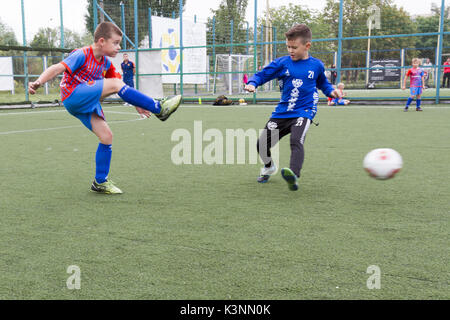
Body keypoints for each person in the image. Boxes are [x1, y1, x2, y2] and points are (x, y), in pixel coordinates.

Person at [28, 21, 182, 194]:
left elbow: (121, 86)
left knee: (107, 136)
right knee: (115, 83)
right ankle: (158, 107)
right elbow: (57, 68)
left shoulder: (106, 63)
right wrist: (38, 82)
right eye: (115, 43)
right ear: (102, 41)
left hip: (86, 103)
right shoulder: (82, 54)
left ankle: (100, 182)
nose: (118, 48)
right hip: (73, 96)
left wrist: (137, 104)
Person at [244, 24, 342, 191]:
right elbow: (263, 74)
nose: (290, 50)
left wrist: (332, 92)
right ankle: (269, 167)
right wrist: (252, 83)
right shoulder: (282, 63)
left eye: (294, 47)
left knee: (296, 140)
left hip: (304, 110)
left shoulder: (316, 65)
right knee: (261, 144)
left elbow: (323, 84)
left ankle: (293, 175)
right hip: (282, 112)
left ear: (307, 46)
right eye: (288, 46)